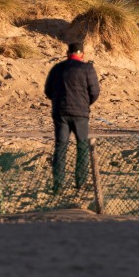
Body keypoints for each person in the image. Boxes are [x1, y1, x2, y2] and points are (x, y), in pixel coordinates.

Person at [44, 40, 100, 195]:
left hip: (60, 113)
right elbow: (95, 91)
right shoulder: (87, 69)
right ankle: (80, 183)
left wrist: (59, 100)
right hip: (80, 114)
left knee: (60, 147)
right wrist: (85, 103)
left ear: (67, 53)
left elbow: (48, 91)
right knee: (82, 147)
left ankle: (58, 185)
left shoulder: (57, 68)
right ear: (82, 54)